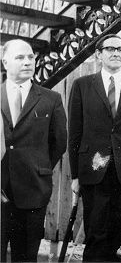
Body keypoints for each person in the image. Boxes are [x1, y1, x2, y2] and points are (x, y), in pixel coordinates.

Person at [1, 39, 67, 262]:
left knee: (26, 257)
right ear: (5, 62)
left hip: (33, 191)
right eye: (20, 57)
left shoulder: (51, 99)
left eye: (31, 57)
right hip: (0, 188)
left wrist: (39, 167)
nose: (28, 62)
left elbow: (59, 142)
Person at [68, 34, 121, 262]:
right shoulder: (83, 85)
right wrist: (75, 176)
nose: (116, 53)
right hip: (94, 171)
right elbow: (75, 133)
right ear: (99, 54)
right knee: (96, 235)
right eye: (110, 48)